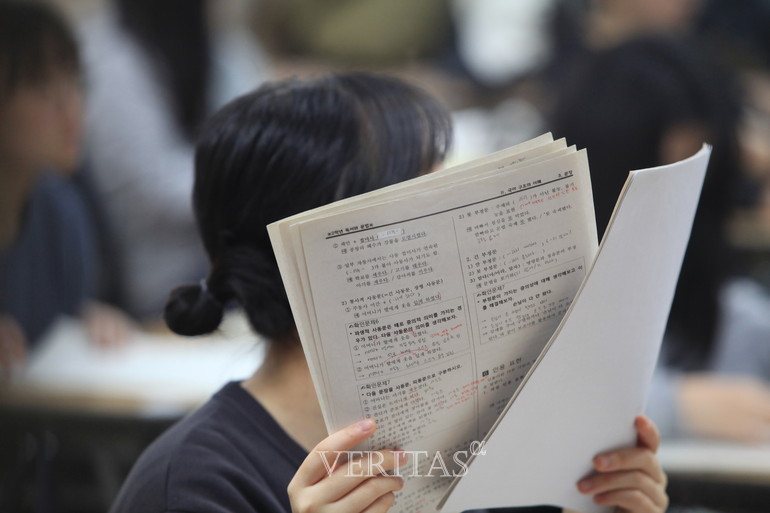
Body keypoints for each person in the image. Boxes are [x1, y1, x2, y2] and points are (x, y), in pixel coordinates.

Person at [109, 73, 668, 513]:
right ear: (326, 254)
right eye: (427, 204)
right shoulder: (189, 487)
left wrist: (601, 505)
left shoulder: (459, 443)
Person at [549, 34, 770, 443]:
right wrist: (674, 406)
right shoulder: (558, 280)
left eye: (698, 163)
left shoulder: (738, 312)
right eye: (656, 166)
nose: (678, 191)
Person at [79, 0, 269, 319]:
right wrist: (253, 184)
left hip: (227, 249)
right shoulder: (107, 53)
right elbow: (155, 187)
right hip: (162, 272)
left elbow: (264, 136)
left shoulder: (220, 42)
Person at [0, 0, 133, 380]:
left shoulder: (59, 209)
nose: (70, 106)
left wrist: (86, 318)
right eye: (41, 86)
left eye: (74, 81)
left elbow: (56, 319)